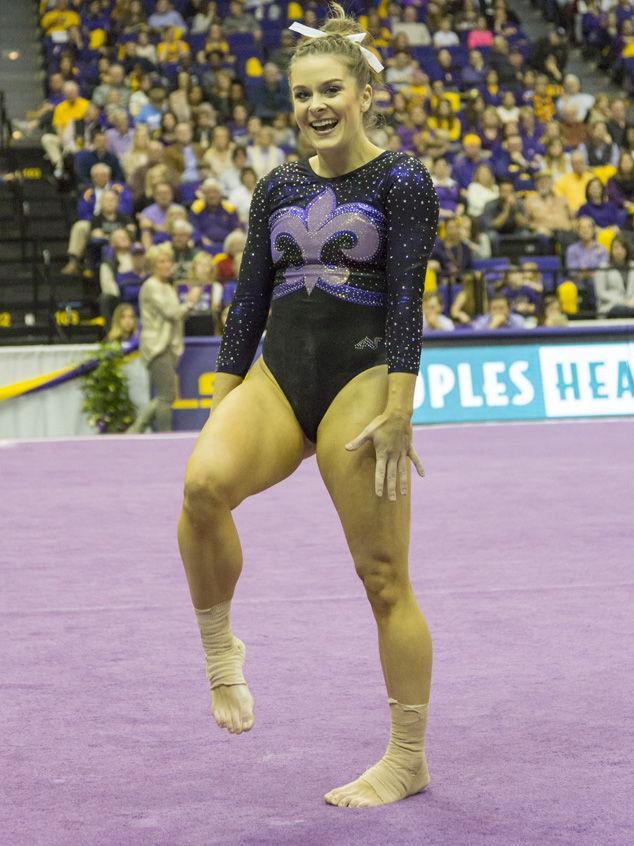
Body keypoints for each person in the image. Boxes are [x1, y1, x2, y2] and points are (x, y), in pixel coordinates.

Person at [177, 4, 439, 810]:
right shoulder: (279, 186)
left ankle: (407, 756)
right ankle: (223, 653)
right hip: (280, 375)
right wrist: (225, 401)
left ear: (365, 91)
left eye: (331, 89)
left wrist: (399, 409)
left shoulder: (402, 178)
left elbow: (405, 303)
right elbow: (248, 296)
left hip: (362, 379)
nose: (315, 106)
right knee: (200, 489)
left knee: (383, 575)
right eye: (301, 95)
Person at [131, 244, 202, 433]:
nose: (167, 264)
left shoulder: (167, 286)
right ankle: (163, 435)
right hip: (157, 346)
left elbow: (178, 316)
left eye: (169, 260)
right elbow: (172, 313)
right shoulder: (151, 286)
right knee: (166, 396)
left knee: (165, 395)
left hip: (170, 345)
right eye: (162, 261)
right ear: (153, 265)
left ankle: (135, 431)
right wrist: (190, 302)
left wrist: (187, 306)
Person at [594, 238, 634, 318]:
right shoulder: (603, 267)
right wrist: (622, 301)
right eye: (616, 248)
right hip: (611, 305)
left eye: (622, 248)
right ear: (611, 250)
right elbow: (601, 293)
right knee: (620, 310)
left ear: (627, 250)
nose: (619, 251)